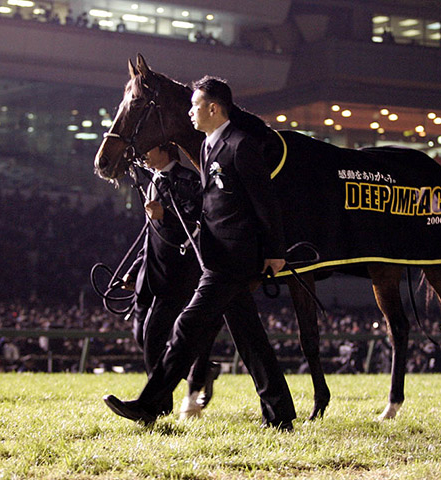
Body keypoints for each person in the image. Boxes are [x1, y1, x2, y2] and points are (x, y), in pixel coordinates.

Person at [103, 76, 296, 431]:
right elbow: (210, 205)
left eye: (195, 106)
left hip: (233, 259)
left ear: (213, 108)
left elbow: (266, 202)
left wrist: (274, 251)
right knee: (251, 339)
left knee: (186, 326)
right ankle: (280, 414)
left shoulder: (242, 146)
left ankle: (150, 404)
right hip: (215, 255)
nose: (189, 112)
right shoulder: (207, 147)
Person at [122, 142, 220, 417]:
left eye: (149, 148)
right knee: (142, 335)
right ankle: (195, 368)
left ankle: (158, 403)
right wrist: (134, 268)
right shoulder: (152, 180)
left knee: (153, 337)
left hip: (176, 273)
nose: (144, 155)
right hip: (148, 273)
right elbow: (150, 234)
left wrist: (165, 215)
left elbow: (196, 225)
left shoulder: (189, 180)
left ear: (165, 150)